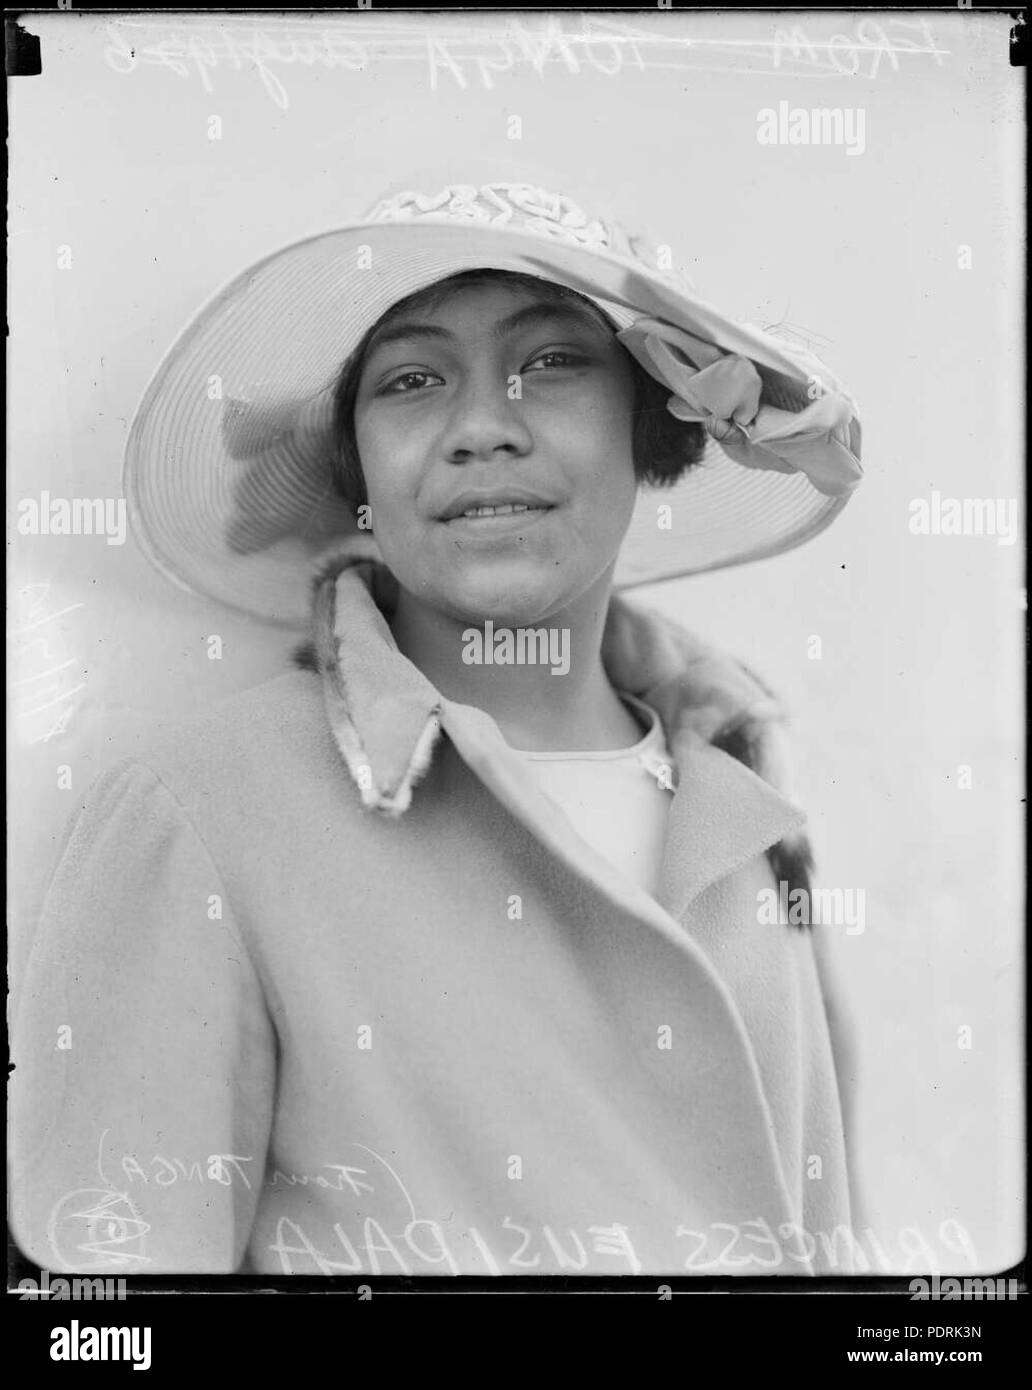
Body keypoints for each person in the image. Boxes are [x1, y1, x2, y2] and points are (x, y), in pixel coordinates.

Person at [11, 175, 864, 1277]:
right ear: (354, 466)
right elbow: (106, 1308)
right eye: (412, 380)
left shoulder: (746, 806)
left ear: (652, 426)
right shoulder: (202, 816)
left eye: (553, 363)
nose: (480, 428)